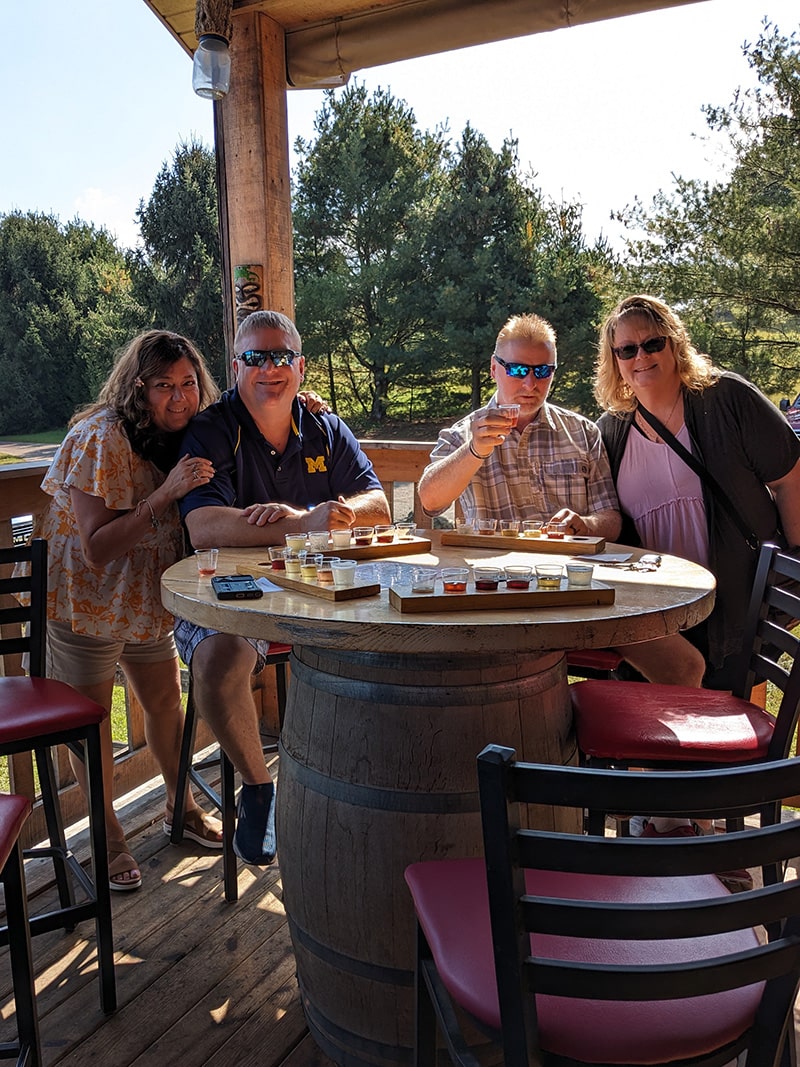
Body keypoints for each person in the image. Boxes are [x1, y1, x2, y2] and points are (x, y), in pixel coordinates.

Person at [174, 309, 391, 866]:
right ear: (235, 365)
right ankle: (259, 787)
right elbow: (203, 527)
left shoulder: (325, 426)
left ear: (299, 365)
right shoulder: (210, 430)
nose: (269, 368)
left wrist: (322, 513)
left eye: (280, 357)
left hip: (319, 588)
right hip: (230, 586)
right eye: (255, 356)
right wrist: (304, 522)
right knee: (218, 665)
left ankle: (361, 789)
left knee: (396, 647)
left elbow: (379, 506)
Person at [595, 294, 800, 843]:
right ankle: (681, 833)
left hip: (734, 599)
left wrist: (795, 565)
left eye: (652, 343)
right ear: (613, 360)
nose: (641, 357)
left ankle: (685, 838)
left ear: (674, 342)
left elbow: (788, 475)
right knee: (660, 705)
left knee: (705, 712)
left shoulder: (726, 399)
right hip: (661, 607)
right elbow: (609, 514)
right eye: (626, 349)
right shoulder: (613, 431)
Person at [418, 311, 706, 686]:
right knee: (499, 679)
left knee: (685, 666)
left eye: (543, 371)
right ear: (494, 368)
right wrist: (475, 450)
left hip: (580, 590)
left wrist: (585, 525)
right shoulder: (465, 434)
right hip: (498, 597)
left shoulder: (582, 432)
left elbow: (611, 517)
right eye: (518, 370)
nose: (531, 383)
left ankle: (634, 745)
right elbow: (429, 500)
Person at [38, 329, 223, 891]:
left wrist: (302, 404)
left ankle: (181, 807)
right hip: (86, 599)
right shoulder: (100, 438)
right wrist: (165, 494)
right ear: (137, 389)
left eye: (188, 383)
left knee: (166, 702)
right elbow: (95, 548)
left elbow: (253, 411)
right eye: (163, 386)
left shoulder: (193, 431)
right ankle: (108, 836)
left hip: (145, 598)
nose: (179, 397)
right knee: (91, 724)